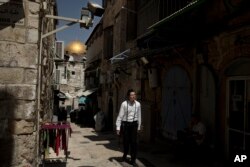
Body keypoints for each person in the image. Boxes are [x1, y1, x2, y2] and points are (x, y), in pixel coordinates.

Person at [116, 89, 141, 166]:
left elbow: (139, 116)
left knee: (134, 143)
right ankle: (125, 154)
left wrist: (139, 127)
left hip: (134, 125)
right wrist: (118, 127)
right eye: (131, 95)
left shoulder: (138, 104)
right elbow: (120, 116)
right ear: (128, 96)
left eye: (134, 95)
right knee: (126, 142)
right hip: (126, 125)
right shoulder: (124, 104)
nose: (133, 96)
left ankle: (133, 159)